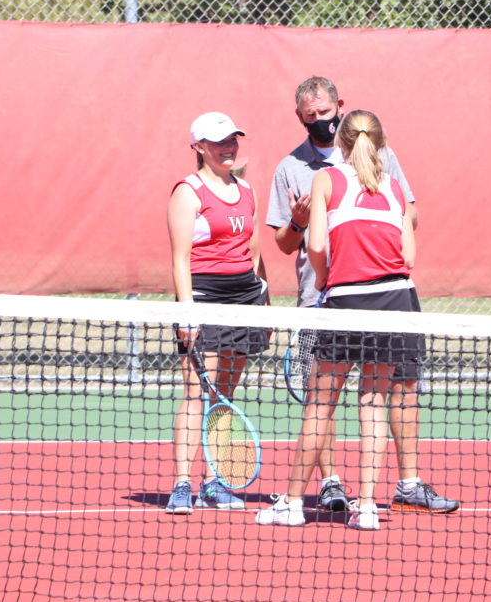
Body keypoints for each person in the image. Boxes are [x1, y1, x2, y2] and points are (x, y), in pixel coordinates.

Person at [265, 77, 453, 515]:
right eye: (310, 118)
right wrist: (299, 223)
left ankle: (406, 485)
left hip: (366, 294)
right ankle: (333, 485)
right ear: (300, 118)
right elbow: (288, 244)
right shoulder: (291, 168)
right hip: (329, 299)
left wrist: (361, 237)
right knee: (326, 398)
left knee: (393, 390)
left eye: (326, 115)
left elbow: (410, 215)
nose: (319, 124)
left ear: (340, 110)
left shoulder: (382, 164)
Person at [164, 112, 269, 514]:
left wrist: (266, 303)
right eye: (220, 141)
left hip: (245, 299)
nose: (230, 147)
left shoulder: (247, 190)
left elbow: (255, 251)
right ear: (199, 147)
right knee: (195, 393)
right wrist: (187, 312)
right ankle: (182, 485)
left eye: (233, 139)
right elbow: (179, 259)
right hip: (203, 296)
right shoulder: (187, 192)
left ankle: (214, 483)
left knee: (223, 394)